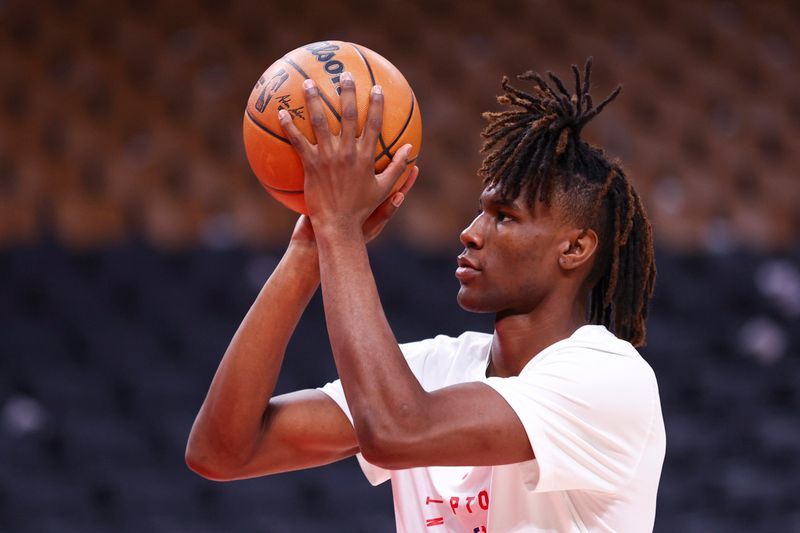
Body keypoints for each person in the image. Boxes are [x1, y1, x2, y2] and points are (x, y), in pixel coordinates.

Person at [186, 58, 666, 532]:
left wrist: (340, 229)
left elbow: (397, 432)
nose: (471, 233)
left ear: (575, 247)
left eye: (505, 217)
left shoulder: (608, 378)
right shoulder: (435, 369)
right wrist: (309, 249)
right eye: (480, 212)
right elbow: (221, 452)